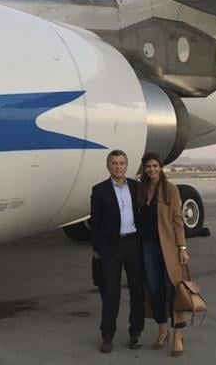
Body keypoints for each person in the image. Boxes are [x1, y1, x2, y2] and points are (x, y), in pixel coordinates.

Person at [135, 152, 190, 357]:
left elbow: (177, 220)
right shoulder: (141, 190)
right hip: (148, 247)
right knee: (154, 289)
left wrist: (182, 248)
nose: (152, 170)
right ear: (144, 169)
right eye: (148, 166)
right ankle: (162, 330)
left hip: (168, 247)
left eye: (155, 166)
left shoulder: (170, 189)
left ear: (161, 167)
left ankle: (178, 335)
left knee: (173, 290)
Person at [90, 150, 144, 354]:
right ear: (108, 166)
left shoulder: (136, 187)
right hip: (111, 247)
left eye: (122, 163)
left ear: (127, 166)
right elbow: (95, 222)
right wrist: (97, 248)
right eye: (114, 163)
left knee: (137, 291)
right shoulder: (99, 190)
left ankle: (135, 333)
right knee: (111, 293)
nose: (118, 167)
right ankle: (107, 336)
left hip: (133, 244)